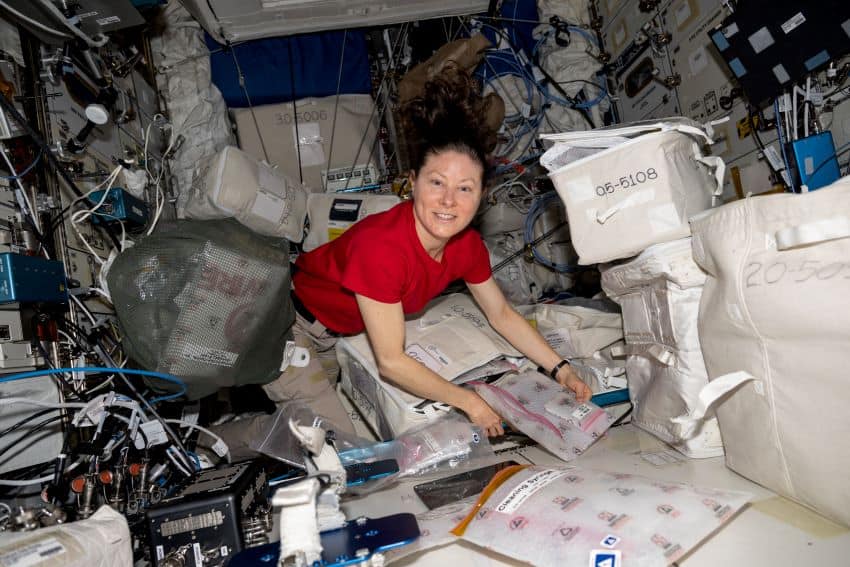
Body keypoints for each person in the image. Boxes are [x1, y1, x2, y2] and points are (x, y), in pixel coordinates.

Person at [280, 67, 591, 438]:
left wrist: (561, 369)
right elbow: (392, 362)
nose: (448, 201)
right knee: (338, 449)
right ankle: (212, 453)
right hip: (292, 328)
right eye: (437, 183)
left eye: (465, 188)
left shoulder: (466, 247)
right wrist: (470, 402)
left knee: (321, 429)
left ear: (482, 196)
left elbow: (502, 314)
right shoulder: (381, 249)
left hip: (338, 333)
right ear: (412, 184)